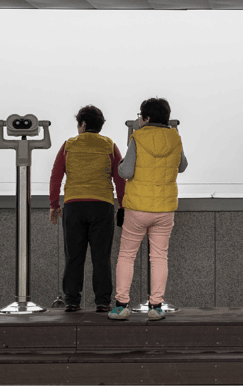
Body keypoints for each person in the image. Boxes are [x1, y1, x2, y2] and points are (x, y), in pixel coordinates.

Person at [108, 98, 188, 321]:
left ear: (146, 117)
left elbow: (125, 172)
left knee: (126, 255)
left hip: (137, 208)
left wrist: (124, 159)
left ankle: (121, 305)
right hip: (164, 208)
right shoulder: (175, 137)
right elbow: (182, 166)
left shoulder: (138, 137)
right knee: (159, 257)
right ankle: (156, 307)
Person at [49, 105, 126, 313]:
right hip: (102, 206)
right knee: (101, 256)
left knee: (74, 256)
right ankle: (102, 301)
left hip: (74, 205)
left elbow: (56, 175)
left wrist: (54, 205)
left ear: (83, 124)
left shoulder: (69, 145)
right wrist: (123, 205)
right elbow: (120, 178)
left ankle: (72, 301)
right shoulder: (109, 145)